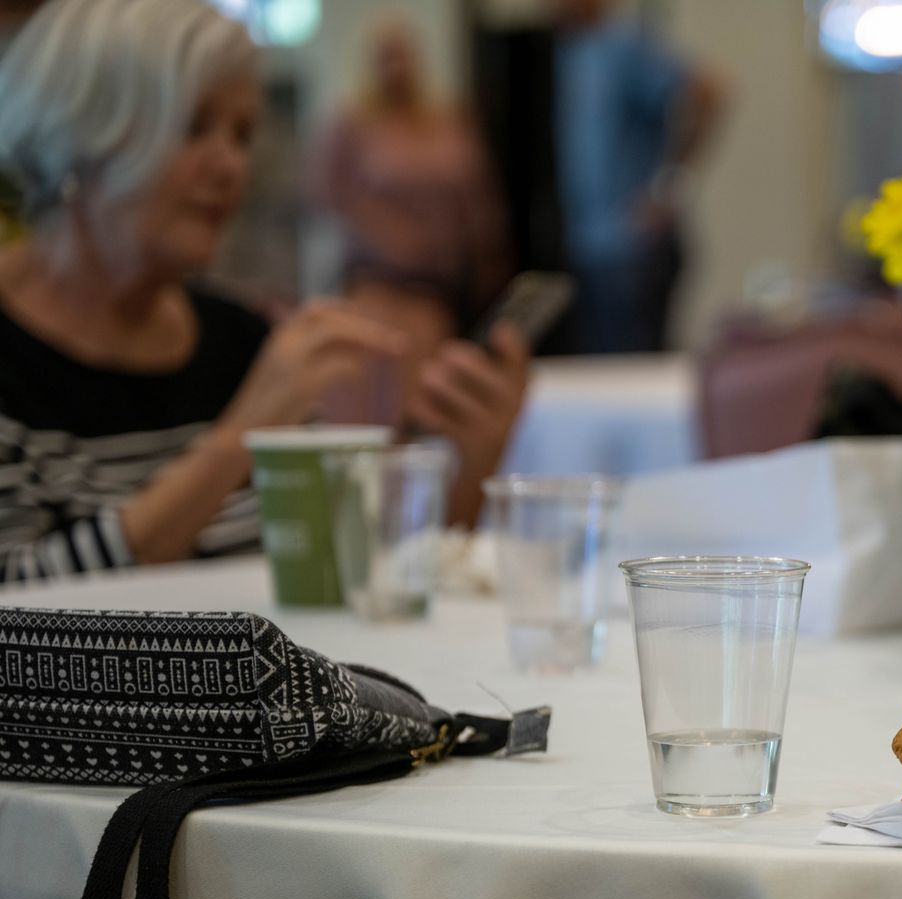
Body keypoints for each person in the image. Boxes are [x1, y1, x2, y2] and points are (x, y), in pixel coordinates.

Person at [0, 0, 528, 584]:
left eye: (242, 134)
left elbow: (353, 577)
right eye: (192, 127)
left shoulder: (239, 340)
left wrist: (471, 461)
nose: (230, 165)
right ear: (76, 132)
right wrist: (236, 442)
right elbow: (21, 609)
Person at [310, 16, 511, 346]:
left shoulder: (447, 120)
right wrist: (382, 230)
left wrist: (489, 254)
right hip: (378, 280)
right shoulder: (352, 123)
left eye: (401, 55)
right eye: (386, 56)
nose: (395, 67)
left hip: (442, 282)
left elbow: (478, 195)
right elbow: (325, 192)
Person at [549, 0, 726, 353]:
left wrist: (668, 186)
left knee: (629, 369)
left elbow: (708, 92)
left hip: (628, 246)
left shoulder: (625, 46)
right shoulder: (557, 52)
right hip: (579, 247)